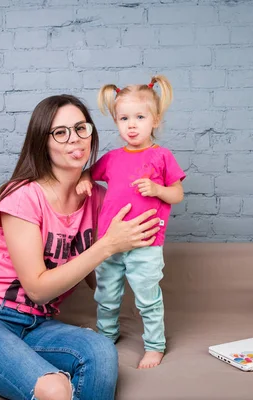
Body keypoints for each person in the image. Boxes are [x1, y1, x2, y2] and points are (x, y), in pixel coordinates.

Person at [0, 94, 161, 400]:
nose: (75, 139)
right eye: (61, 132)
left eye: (81, 128)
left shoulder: (98, 198)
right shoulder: (23, 197)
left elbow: (93, 274)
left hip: (38, 325)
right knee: (54, 387)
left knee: (101, 350)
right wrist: (108, 245)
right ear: (42, 142)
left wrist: (136, 249)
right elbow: (37, 289)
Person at [76, 75, 186, 369]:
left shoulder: (161, 156)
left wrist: (158, 190)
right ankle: (106, 334)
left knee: (147, 297)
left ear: (156, 119)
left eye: (139, 116)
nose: (132, 124)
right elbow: (88, 173)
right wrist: (85, 182)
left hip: (146, 243)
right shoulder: (112, 158)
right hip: (109, 242)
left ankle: (155, 345)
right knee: (107, 294)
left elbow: (177, 193)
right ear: (116, 121)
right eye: (124, 118)